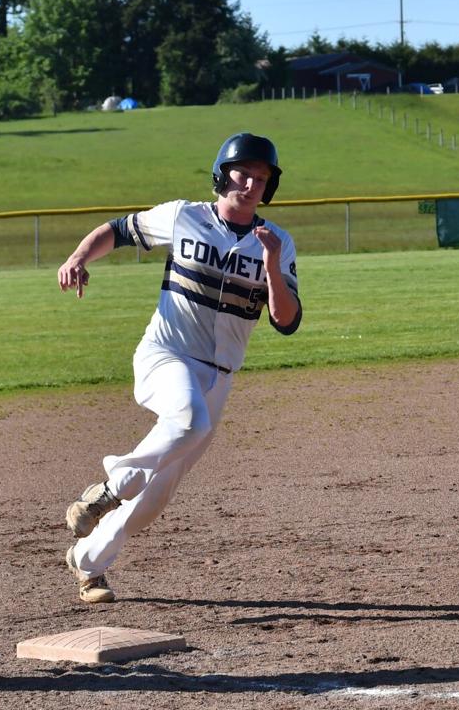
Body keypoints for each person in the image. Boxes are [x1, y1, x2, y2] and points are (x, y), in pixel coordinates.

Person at [57, 132, 302, 603]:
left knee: (156, 499)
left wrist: (272, 264)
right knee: (188, 420)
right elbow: (119, 230)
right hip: (165, 356)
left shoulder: (278, 243)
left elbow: (286, 320)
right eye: (241, 172)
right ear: (221, 173)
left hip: (220, 376)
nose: (249, 183)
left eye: (260, 177)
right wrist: (78, 256)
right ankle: (111, 485)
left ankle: (88, 562)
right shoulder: (184, 216)